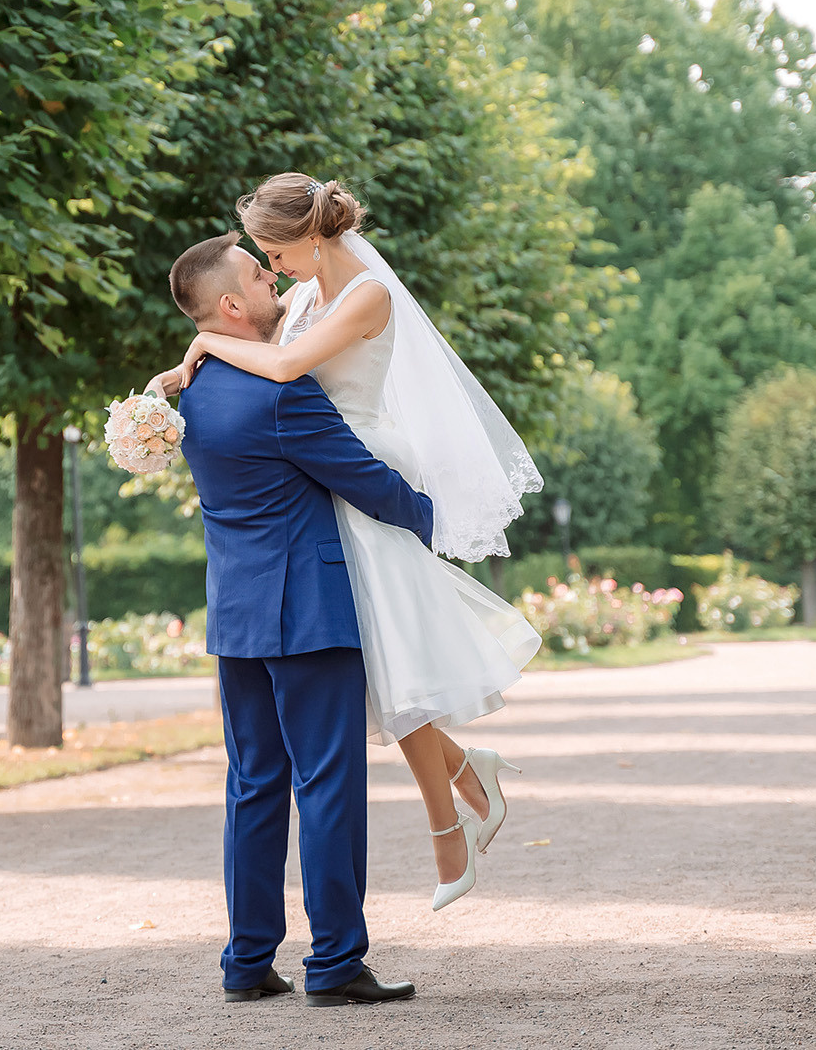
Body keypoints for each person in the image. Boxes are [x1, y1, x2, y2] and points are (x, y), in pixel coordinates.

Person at [150, 175, 542, 915]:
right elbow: (260, 359)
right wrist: (186, 371)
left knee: (396, 664)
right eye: (262, 260)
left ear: (311, 237)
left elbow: (284, 368)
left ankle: (451, 822)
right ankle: (466, 781)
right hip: (317, 477)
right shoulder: (301, 297)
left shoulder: (368, 295)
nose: (273, 269)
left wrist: (202, 341)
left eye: (274, 253)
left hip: (356, 471)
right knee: (385, 671)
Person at [168, 232, 427, 1007]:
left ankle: (247, 961)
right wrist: (436, 517)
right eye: (258, 274)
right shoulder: (285, 392)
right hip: (310, 614)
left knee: (253, 785)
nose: (272, 279)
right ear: (231, 305)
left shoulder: (196, 391)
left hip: (237, 615)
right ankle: (336, 962)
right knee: (328, 786)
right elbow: (365, 480)